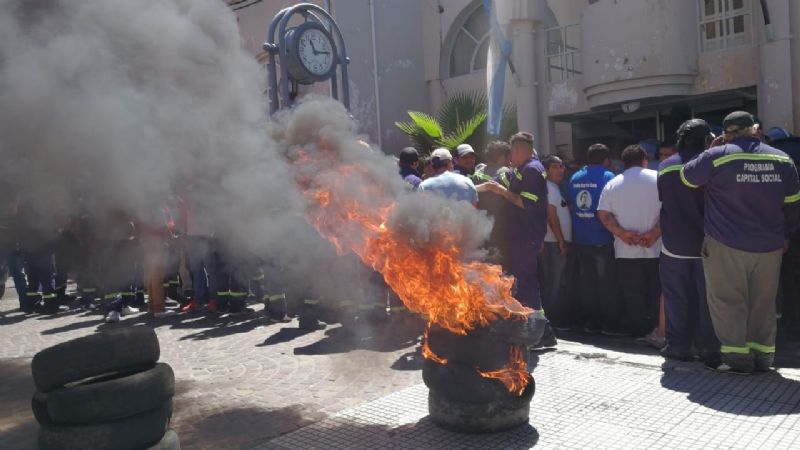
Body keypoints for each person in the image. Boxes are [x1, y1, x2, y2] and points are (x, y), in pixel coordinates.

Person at [681, 111, 800, 374]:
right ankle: (764, 356)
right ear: (755, 129)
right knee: (764, 301)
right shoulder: (781, 159)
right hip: (770, 245)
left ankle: (738, 359)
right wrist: (786, 235)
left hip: (726, 243)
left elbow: (688, 176)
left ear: (725, 133)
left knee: (728, 299)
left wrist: (711, 149)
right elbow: (793, 205)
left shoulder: (718, 155)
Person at [476, 132, 555, 347]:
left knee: (525, 283)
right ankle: (542, 332)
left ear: (519, 150)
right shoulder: (523, 169)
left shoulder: (531, 170)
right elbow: (503, 188)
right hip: (522, 236)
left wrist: (501, 191)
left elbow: (525, 203)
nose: (510, 156)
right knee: (522, 282)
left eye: (512, 152)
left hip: (526, 236)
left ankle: (538, 334)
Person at [657, 119, 719, 364]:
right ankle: (709, 349)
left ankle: (678, 346)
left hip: (674, 245)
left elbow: (665, 200)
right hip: (707, 244)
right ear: (706, 139)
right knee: (708, 300)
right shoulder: (710, 164)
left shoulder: (665, 166)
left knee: (677, 298)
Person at [597, 145, 662, 338]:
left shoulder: (613, 184)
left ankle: (639, 331)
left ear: (624, 163)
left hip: (626, 250)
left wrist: (622, 233)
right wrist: (655, 233)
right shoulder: (659, 179)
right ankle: (659, 329)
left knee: (633, 293)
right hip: (656, 247)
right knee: (657, 290)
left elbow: (603, 213)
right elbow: (671, 210)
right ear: (645, 160)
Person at [567, 143, 620, 334]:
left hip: (581, 238)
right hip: (603, 237)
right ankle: (608, 323)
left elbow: (573, 205)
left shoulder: (575, 177)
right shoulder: (608, 177)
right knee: (606, 282)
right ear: (606, 160)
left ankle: (590, 322)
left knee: (587, 282)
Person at [540, 155, 575, 330]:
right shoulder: (550, 188)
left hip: (554, 243)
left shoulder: (555, 188)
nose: (560, 170)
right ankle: (553, 321)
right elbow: (551, 215)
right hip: (553, 244)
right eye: (555, 167)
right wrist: (561, 241)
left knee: (557, 281)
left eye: (561, 166)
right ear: (545, 170)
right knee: (555, 282)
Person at [473, 141, 513, 268]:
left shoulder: (477, 174)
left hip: (482, 229)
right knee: (503, 267)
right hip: (503, 229)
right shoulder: (505, 172)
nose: (510, 161)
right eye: (508, 158)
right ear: (501, 157)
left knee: (487, 267)